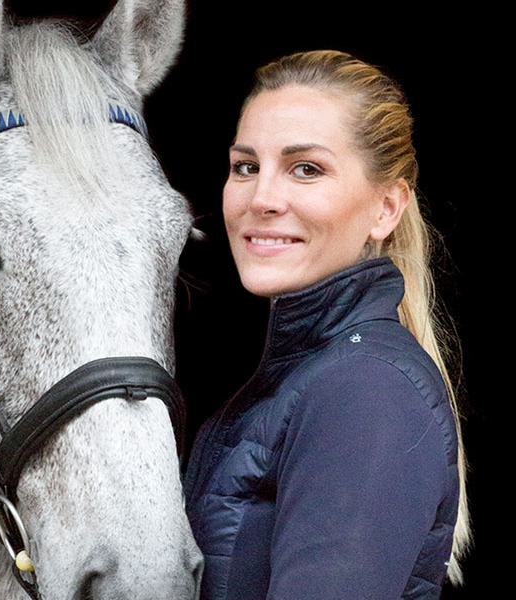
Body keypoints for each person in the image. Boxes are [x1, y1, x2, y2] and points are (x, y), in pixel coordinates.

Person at [183, 50, 471, 600]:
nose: (262, 198)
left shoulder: (366, 389)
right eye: (246, 167)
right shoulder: (315, 375)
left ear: (386, 208)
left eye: (306, 169)